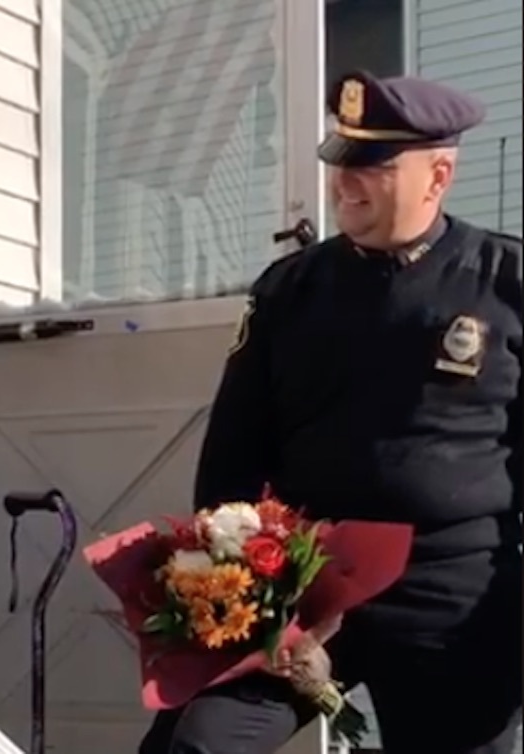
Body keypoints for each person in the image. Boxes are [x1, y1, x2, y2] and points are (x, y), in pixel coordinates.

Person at [139, 71, 522, 754]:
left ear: (438, 175)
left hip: (452, 595)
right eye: (341, 162)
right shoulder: (290, 290)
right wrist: (251, 602)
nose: (344, 183)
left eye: (371, 167)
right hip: (305, 586)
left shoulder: (505, 283)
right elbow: (231, 458)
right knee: (200, 743)